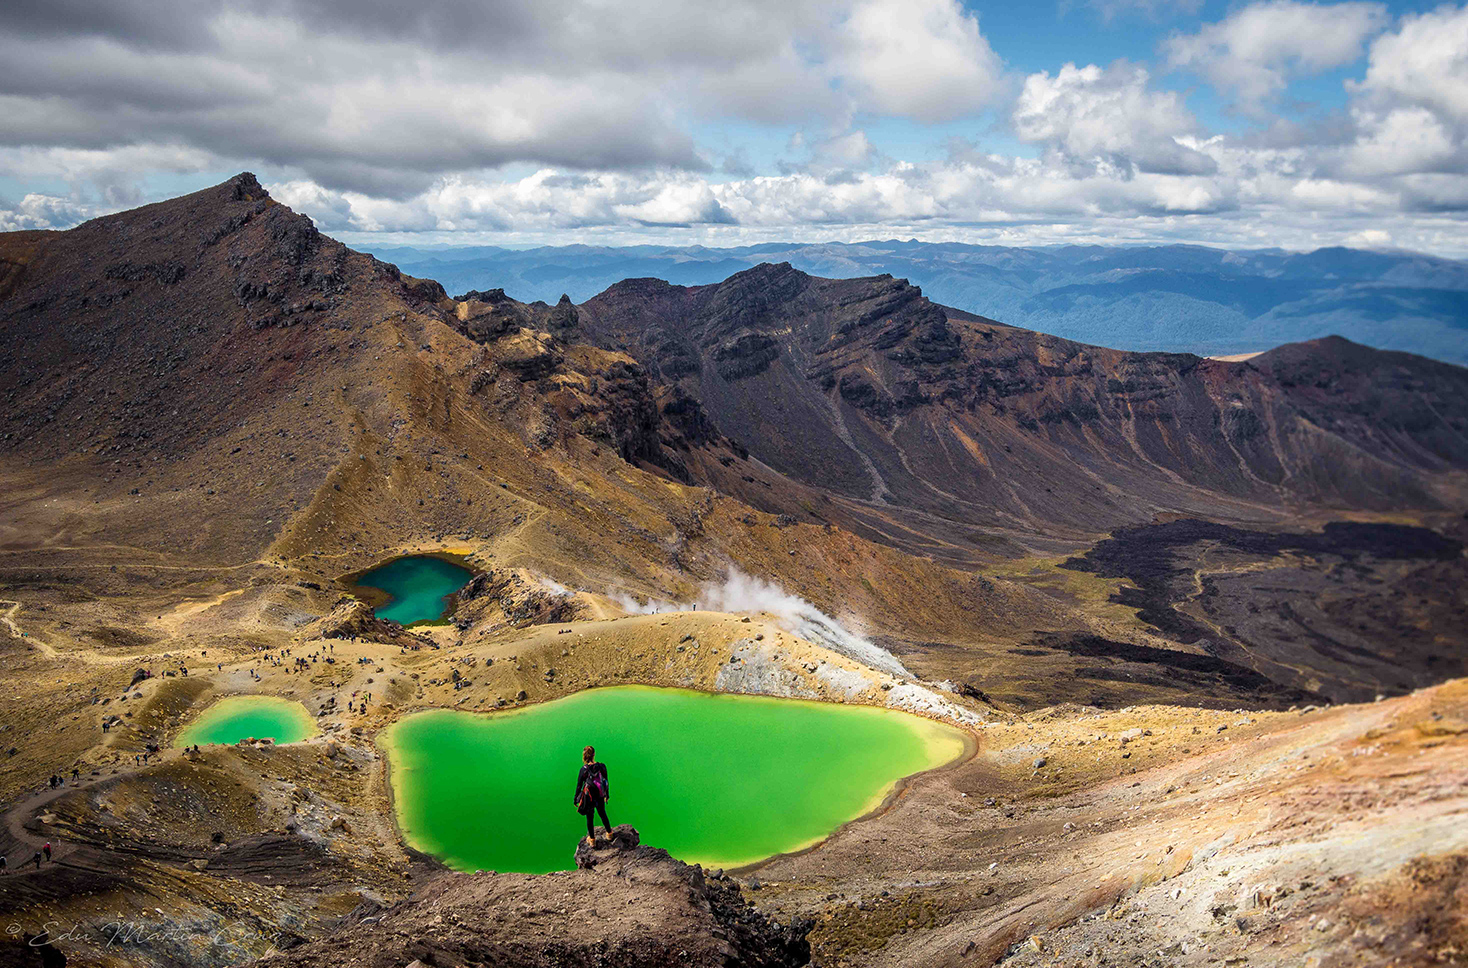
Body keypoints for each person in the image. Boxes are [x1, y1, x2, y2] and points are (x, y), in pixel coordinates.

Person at [573, 745, 612, 843]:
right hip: (600, 795)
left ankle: (592, 839)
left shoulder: (584, 769)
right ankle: (609, 833)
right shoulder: (602, 766)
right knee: (602, 813)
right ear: (594, 754)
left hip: (589, 797)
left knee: (590, 818)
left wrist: (575, 799)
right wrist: (607, 795)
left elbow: (579, 786)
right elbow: (606, 781)